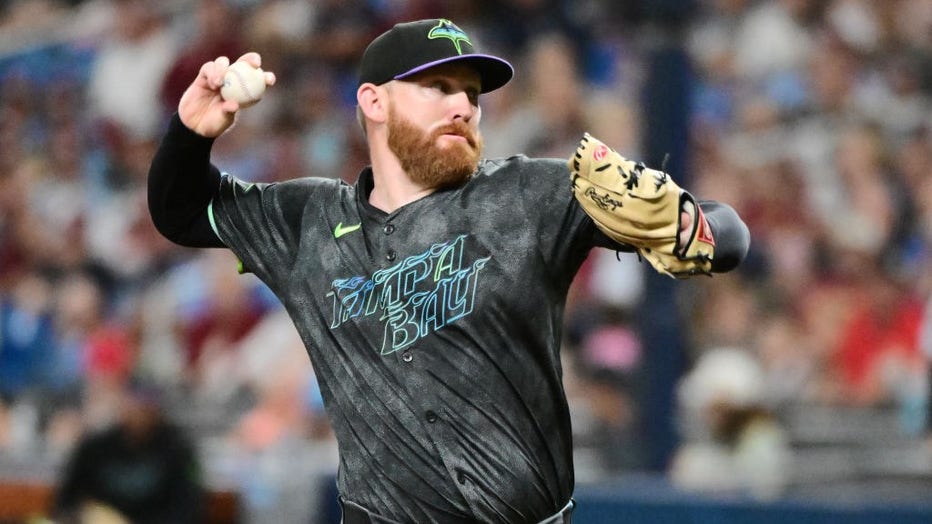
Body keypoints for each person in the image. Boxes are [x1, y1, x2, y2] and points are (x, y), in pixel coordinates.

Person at [148, 18, 750, 524]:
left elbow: (727, 233)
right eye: (438, 86)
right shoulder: (305, 220)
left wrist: (695, 227)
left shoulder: (529, 196)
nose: (463, 105)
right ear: (373, 101)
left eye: (472, 94)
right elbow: (178, 212)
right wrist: (191, 133)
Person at [51, 380, 204, 524]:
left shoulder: (178, 449)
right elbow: (66, 501)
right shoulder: (94, 447)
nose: (139, 414)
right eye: (134, 406)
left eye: (146, 408)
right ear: (122, 406)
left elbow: (189, 507)